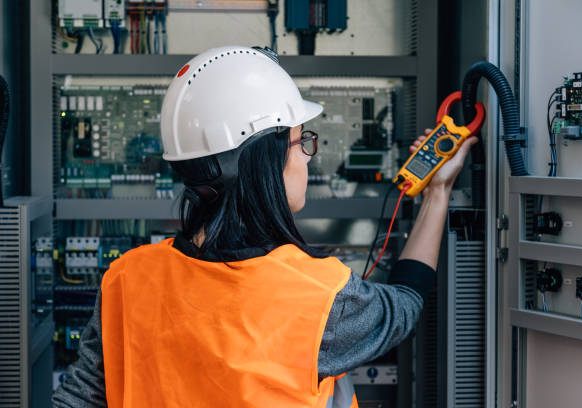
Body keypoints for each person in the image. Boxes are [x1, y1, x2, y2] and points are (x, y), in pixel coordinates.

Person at [52, 46, 478, 408]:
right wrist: (437, 193)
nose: (308, 156)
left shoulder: (127, 278)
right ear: (263, 162)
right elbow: (403, 306)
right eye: (300, 141)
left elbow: (80, 398)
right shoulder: (319, 297)